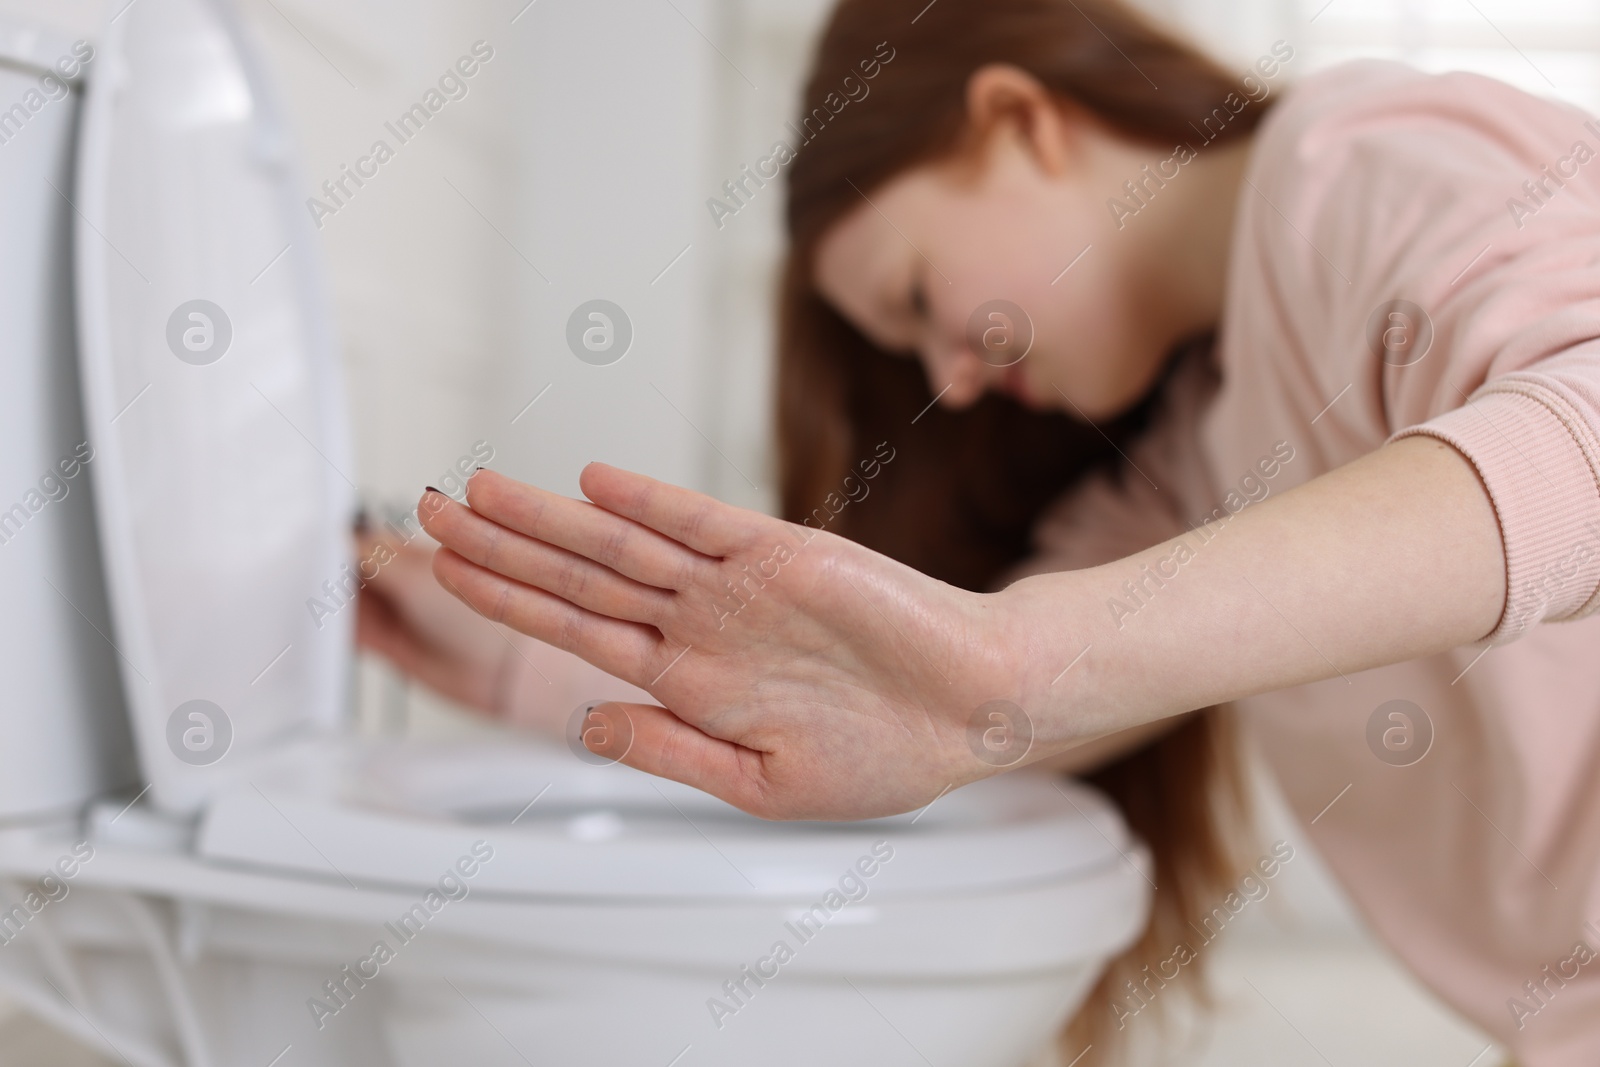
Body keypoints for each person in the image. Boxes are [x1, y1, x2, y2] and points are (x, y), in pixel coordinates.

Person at [359, 0, 1600, 1061]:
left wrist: (1012, 658)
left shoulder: (1362, 156)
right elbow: (942, 691)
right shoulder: (1204, 442)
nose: (947, 380)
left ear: (1017, 119)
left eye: (915, 297)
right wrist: (513, 661)